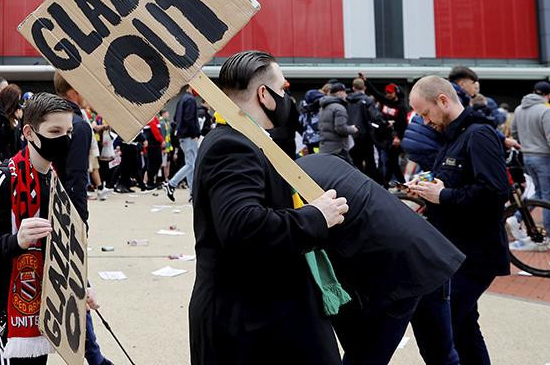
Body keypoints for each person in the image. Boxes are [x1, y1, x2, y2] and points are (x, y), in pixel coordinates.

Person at [190, 51, 348, 363]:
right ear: (264, 94)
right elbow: (242, 225)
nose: (287, 97)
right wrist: (316, 217)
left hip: (260, 315)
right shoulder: (232, 145)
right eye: (284, 88)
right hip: (248, 323)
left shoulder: (246, 138)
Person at [298, 153, 465, 365]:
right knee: (443, 355)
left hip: (394, 274)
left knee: (363, 359)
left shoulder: (287, 191)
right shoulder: (321, 160)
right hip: (428, 250)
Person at [0, 92, 83, 364]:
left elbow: (62, 245)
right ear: (29, 132)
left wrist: (82, 285)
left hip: (40, 305)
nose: (65, 139)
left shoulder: (54, 180)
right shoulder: (1, 179)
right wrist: (16, 241)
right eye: (55, 131)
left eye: (69, 131)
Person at [406, 76, 511, 365]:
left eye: (425, 113)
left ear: (443, 100)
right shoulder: (453, 139)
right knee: (463, 326)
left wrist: (444, 196)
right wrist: (431, 189)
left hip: (475, 254)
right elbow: (458, 184)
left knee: (441, 323)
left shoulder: (478, 134)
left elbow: (495, 191)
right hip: (456, 250)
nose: (425, 122)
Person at [51, 73, 112, 365]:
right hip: (64, 215)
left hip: (41, 209)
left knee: (67, 285)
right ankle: (96, 358)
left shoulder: (47, 119)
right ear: (73, 89)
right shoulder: (77, 124)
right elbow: (76, 179)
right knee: (76, 285)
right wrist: (79, 223)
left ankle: (95, 356)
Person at [510, 81, 550, 253]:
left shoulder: (519, 109)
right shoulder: (546, 110)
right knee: (548, 198)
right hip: (545, 158)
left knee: (538, 193)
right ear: (548, 95)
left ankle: (517, 218)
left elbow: (514, 132)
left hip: (527, 157)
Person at [165, 85, 199, 202]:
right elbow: (190, 119)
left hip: (182, 136)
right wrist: (195, 133)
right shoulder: (190, 100)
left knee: (190, 164)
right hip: (189, 136)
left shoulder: (182, 100)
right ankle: (172, 184)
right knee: (191, 165)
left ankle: (192, 193)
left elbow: (175, 118)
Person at [346, 78, 380, 180]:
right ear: (364, 87)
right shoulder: (368, 100)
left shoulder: (346, 100)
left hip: (351, 135)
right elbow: (375, 116)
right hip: (366, 136)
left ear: (353, 87)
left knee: (355, 162)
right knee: (370, 162)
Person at [319, 82, 356, 163]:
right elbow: (340, 129)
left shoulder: (323, 107)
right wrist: (352, 129)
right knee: (347, 171)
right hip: (338, 149)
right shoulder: (339, 108)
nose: (346, 95)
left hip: (325, 148)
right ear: (339, 93)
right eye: (345, 92)